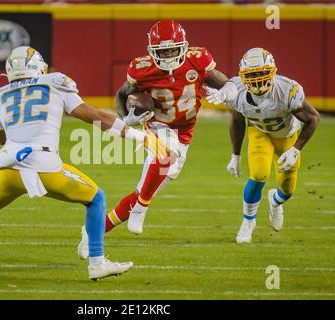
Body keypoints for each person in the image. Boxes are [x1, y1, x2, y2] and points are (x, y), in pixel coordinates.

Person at [0, 46, 172, 281]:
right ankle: (97, 263)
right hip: (45, 166)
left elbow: (1, 138)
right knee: (96, 198)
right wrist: (139, 135)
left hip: (9, 170)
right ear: (40, 68)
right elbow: (93, 116)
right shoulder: (56, 83)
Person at [77, 20, 238, 259]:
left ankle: (92, 233)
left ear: (183, 46)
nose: (169, 55)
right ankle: (142, 206)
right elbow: (122, 95)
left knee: (142, 190)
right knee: (164, 154)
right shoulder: (142, 68)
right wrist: (127, 117)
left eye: (173, 49)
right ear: (152, 51)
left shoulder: (198, 59)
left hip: (184, 134)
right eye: (163, 52)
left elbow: (228, 83)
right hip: (158, 125)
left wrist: (226, 92)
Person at [206, 47, 320, 243]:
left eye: (262, 73)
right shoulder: (237, 91)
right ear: (243, 76)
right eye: (252, 74)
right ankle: (248, 222)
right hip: (259, 132)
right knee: (259, 174)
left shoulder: (287, 90)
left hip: (287, 137)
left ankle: (275, 201)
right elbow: (237, 121)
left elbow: (313, 118)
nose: (258, 78)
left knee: (287, 188)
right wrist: (235, 155)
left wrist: (296, 149)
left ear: (272, 72)